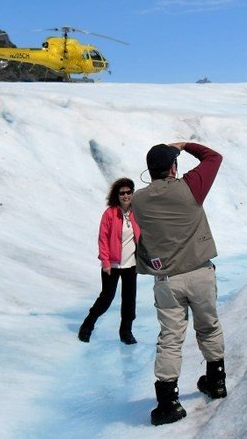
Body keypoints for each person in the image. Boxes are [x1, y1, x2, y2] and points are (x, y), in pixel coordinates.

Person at [131, 142, 226, 426]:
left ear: (150, 171)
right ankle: (216, 381)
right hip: (200, 272)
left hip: (168, 280)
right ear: (173, 167)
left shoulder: (138, 200)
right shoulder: (191, 187)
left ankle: (168, 402)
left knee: (170, 338)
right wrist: (184, 145)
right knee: (208, 325)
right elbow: (213, 157)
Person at [78, 178, 141, 345]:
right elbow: (103, 238)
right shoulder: (110, 213)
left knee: (129, 300)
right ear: (117, 195)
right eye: (122, 193)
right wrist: (105, 261)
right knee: (106, 298)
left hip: (131, 264)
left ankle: (126, 332)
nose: (126, 195)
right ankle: (88, 324)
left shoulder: (136, 212)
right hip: (112, 265)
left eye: (129, 192)